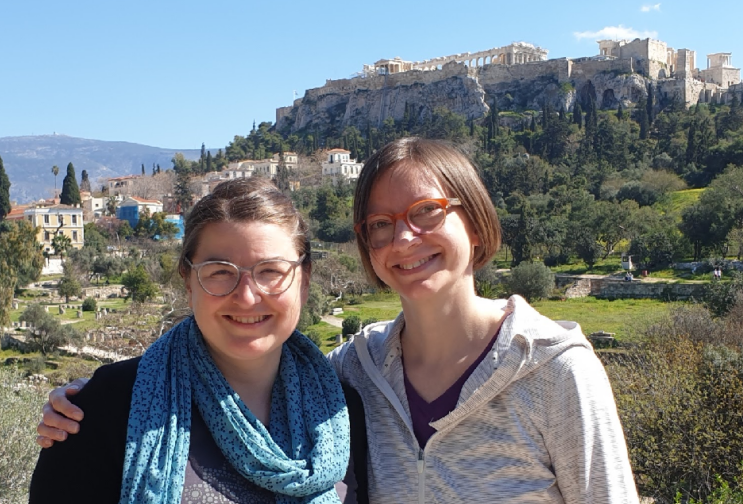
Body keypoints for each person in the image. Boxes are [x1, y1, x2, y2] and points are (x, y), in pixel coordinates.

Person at [37, 138, 639, 502]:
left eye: (427, 212)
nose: (248, 297)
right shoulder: (358, 374)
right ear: (186, 276)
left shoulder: (553, 370)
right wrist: (81, 401)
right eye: (220, 271)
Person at [29, 178, 353, 504]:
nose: (246, 296)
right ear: (188, 283)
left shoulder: (343, 410)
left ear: (305, 281)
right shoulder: (105, 408)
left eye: (271, 271)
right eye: (220, 272)